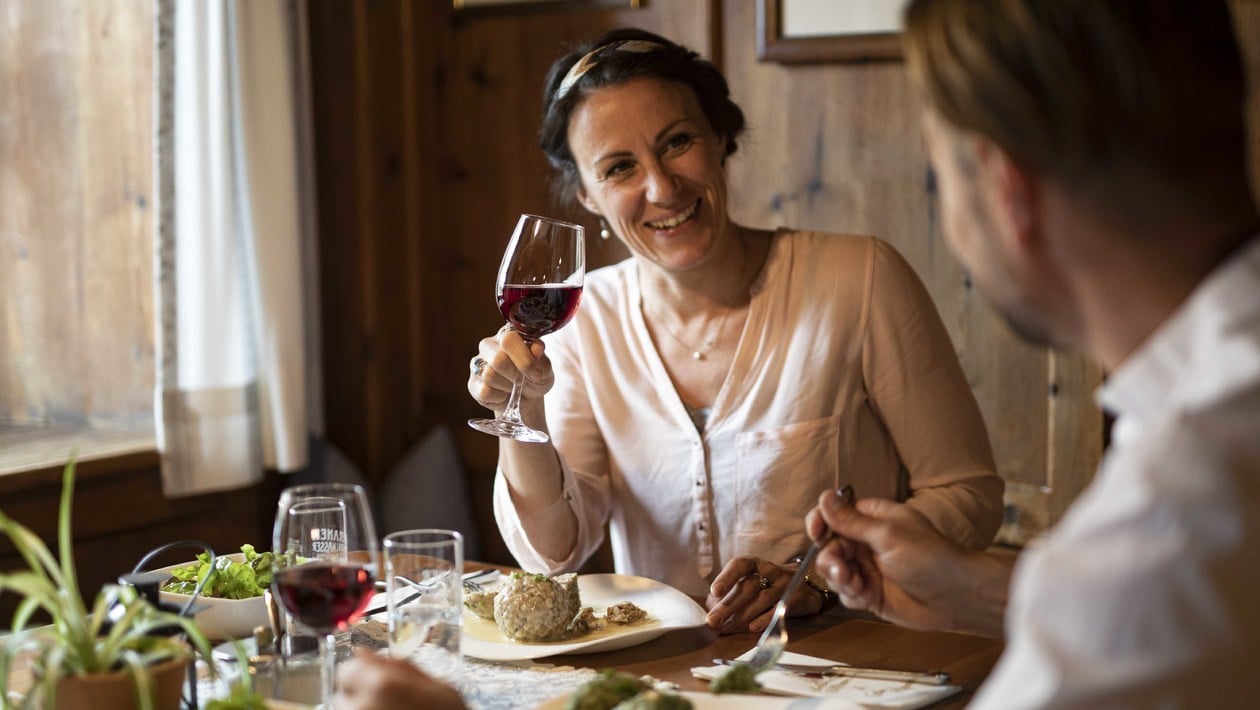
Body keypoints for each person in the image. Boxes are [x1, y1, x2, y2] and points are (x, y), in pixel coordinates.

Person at [467, 26, 1004, 635]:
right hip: (664, 683)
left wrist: (817, 579)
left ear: (720, 137)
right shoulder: (586, 320)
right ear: (588, 197)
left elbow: (969, 497)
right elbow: (552, 554)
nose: (663, 187)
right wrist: (525, 413)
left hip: (851, 667)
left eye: (678, 142)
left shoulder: (861, 278)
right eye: (620, 167)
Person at [806, 0, 1260, 706]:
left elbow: (1145, 592)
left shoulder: (1186, 493)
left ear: (1004, 189)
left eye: (940, 177)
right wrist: (982, 591)